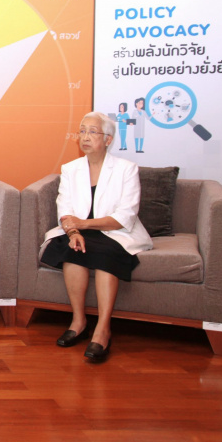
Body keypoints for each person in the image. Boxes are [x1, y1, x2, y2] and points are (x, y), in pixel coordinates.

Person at [40, 112, 152, 363]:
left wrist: (84, 224)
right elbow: (64, 208)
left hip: (115, 231)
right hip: (80, 230)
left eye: (92, 132)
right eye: (82, 131)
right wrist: (74, 232)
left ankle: (103, 329)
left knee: (105, 252)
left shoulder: (126, 169)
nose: (85, 137)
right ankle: (78, 321)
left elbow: (126, 215)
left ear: (108, 139)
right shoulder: (70, 169)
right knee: (71, 248)